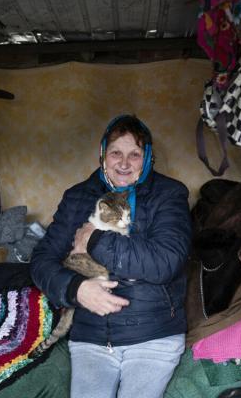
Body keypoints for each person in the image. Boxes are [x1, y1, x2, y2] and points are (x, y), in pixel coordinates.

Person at [30, 114, 192, 398]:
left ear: (148, 158)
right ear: (103, 155)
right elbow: (42, 260)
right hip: (90, 336)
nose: (124, 163)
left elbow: (166, 262)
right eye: (116, 152)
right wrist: (76, 288)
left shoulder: (168, 194)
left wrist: (94, 240)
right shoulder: (77, 196)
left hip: (152, 336)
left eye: (135, 154)